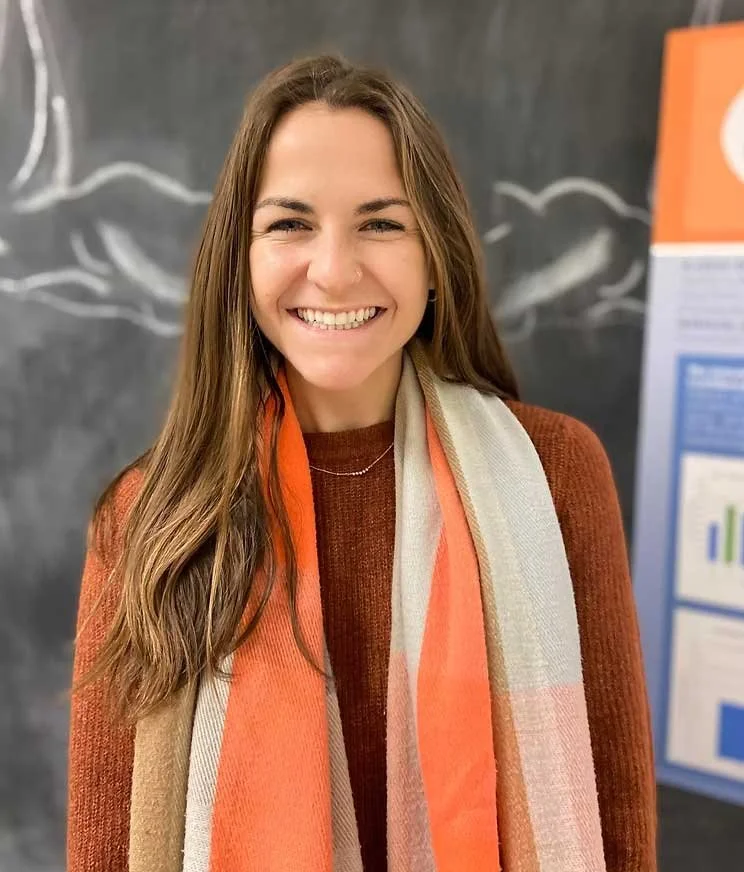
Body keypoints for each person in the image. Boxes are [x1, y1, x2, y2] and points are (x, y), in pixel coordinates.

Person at [67, 55, 656, 872]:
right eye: (289, 224)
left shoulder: (557, 470)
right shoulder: (148, 513)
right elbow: (101, 853)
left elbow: (619, 829)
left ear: (435, 255)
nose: (335, 269)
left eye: (381, 222)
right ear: (238, 261)